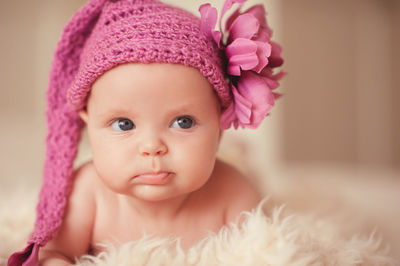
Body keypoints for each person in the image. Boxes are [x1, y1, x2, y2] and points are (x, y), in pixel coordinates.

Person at [8, 0, 284, 265]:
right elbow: (54, 255)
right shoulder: (88, 192)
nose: (152, 146)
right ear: (88, 125)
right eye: (124, 124)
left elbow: (266, 252)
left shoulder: (233, 191)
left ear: (220, 124)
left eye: (183, 122)